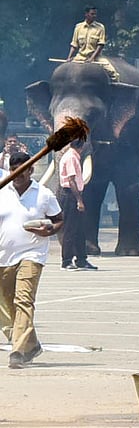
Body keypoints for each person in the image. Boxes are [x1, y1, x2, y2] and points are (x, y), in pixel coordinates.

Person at [0, 151, 64, 368]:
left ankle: (17, 351)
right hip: (3, 257)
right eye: (12, 170)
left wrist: (49, 230)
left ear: (30, 170)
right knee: (7, 305)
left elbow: (58, 219)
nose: (16, 174)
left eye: (21, 170)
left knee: (23, 301)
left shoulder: (43, 194)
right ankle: (32, 344)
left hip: (32, 254)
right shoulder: (2, 191)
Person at [57, 138, 95, 271]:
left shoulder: (73, 156)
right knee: (70, 229)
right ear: (81, 145)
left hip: (74, 194)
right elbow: (71, 180)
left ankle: (81, 259)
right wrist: (79, 200)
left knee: (79, 229)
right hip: (70, 195)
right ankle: (66, 261)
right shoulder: (71, 157)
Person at [65, 6, 119, 81]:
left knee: (112, 73)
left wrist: (92, 58)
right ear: (86, 14)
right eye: (92, 14)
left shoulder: (100, 27)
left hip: (96, 57)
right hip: (80, 57)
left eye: (95, 14)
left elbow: (100, 45)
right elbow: (74, 44)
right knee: (65, 71)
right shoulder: (78, 27)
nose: (94, 16)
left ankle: (115, 88)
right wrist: (69, 57)